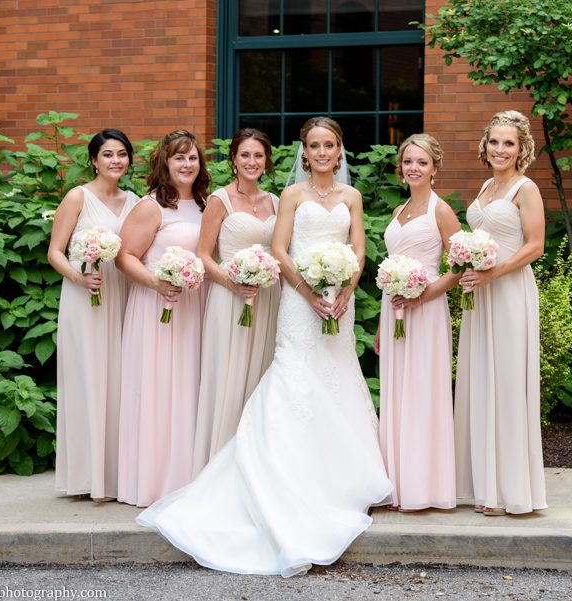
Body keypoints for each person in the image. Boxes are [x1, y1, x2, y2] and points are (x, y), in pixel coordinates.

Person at [137, 117, 392, 577]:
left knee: (337, 379)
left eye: (328, 145)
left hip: (338, 299)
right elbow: (279, 248)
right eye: (313, 145)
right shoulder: (290, 197)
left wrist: (344, 291)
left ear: (339, 151)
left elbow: (358, 252)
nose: (320, 152)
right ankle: (276, 471)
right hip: (297, 299)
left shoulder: (350, 197)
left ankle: (338, 476)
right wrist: (310, 291)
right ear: (303, 151)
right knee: (292, 377)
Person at [455, 110, 547, 516]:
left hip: (509, 293)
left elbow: (535, 246)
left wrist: (493, 273)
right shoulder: (487, 186)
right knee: (481, 380)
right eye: (494, 142)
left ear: (521, 147)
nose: (499, 149)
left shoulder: (525, 189)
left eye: (508, 143)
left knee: (507, 383)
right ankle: (483, 484)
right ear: (485, 145)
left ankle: (511, 490)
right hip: (481, 294)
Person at [115, 130, 210, 507]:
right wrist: (158, 284)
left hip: (195, 307)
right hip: (157, 309)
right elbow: (124, 257)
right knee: (158, 389)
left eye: (192, 158)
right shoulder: (150, 206)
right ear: (164, 163)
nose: (187, 165)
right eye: (179, 158)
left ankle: (188, 475)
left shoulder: (205, 205)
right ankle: (154, 481)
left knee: (189, 387)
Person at [49, 128, 140, 502]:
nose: (115, 161)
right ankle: (85, 476)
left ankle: (115, 477)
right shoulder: (77, 197)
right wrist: (78, 276)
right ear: (93, 160)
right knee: (87, 379)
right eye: (107, 154)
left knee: (118, 380)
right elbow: (54, 252)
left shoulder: (135, 201)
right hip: (84, 297)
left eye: (121, 154)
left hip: (119, 294)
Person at [375, 133, 460, 511]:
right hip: (392, 309)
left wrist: (423, 294)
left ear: (434, 168)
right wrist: (381, 322)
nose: (414, 168)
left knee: (423, 391)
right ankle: (397, 481)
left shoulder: (440, 211)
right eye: (408, 161)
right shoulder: (399, 211)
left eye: (422, 162)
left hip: (425, 310)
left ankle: (424, 487)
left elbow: (461, 265)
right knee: (396, 392)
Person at [191, 128, 281, 475]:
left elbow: (280, 250)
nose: (252, 162)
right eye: (245, 155)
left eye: (258, 155)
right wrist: (235, 283)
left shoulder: (274, 201)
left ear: (266, 161)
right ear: (233, 159)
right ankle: (220, 465)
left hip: (267, 298)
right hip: (230, 300)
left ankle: (254, 464)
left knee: (260, 377)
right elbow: (202, 255)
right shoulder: (220, 200)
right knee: (229, 376)